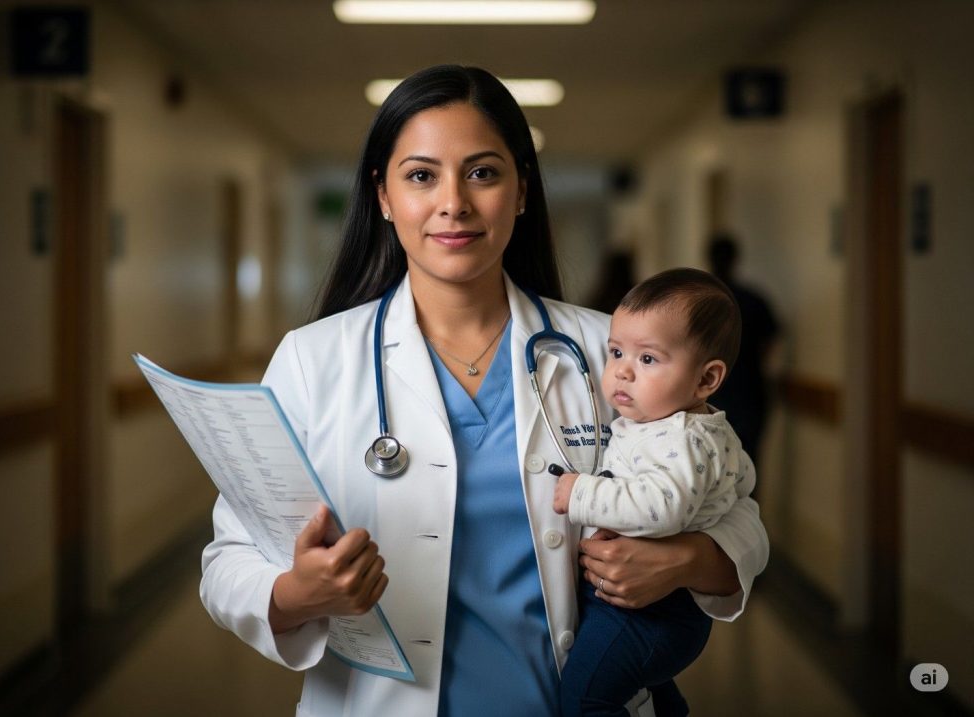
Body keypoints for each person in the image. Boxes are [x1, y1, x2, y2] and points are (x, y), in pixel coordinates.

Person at [200, 65, 768, 717]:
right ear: (383, 195)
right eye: (421, 175)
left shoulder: (607, 352)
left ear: (521, 190)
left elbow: (734, 505)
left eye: (482, 173)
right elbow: (229, 558)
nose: (454, 203)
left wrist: (689, 559)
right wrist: (295, 595)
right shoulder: (313, 360)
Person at [552, 268, 756, 716]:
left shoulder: (681, 437)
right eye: (616, 352)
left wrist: (581, 493)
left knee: (585, 700)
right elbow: (742, 479)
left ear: (706, 380)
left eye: (648, 359)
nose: (622, 371)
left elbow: (662, 508)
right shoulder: (687, 426)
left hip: (650, 612)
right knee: (651, 696)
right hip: (647, 610)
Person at [706, 234, 780, 484]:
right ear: (735, 259)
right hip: (750, 392)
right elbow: (769, 344)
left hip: (708, 394)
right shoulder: (753, 300)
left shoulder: (698, 302)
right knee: (747, 466)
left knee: (707, 465)